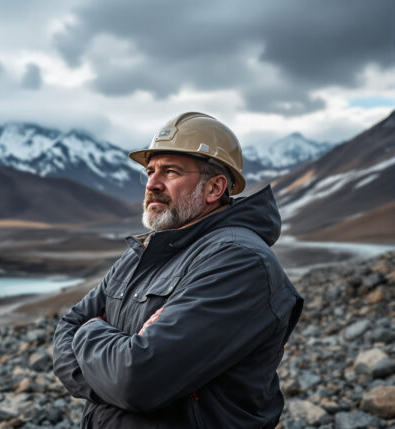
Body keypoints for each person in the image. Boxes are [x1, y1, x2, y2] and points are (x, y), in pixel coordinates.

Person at [53, 112, 304, 428]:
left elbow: (138, 381)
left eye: (169, 172)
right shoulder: (146, 251)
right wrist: (112, 373)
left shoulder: (239, 262)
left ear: (214, 188)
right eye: (149, 171)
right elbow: (67, 327)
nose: (152, 184)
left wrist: (90, 331)